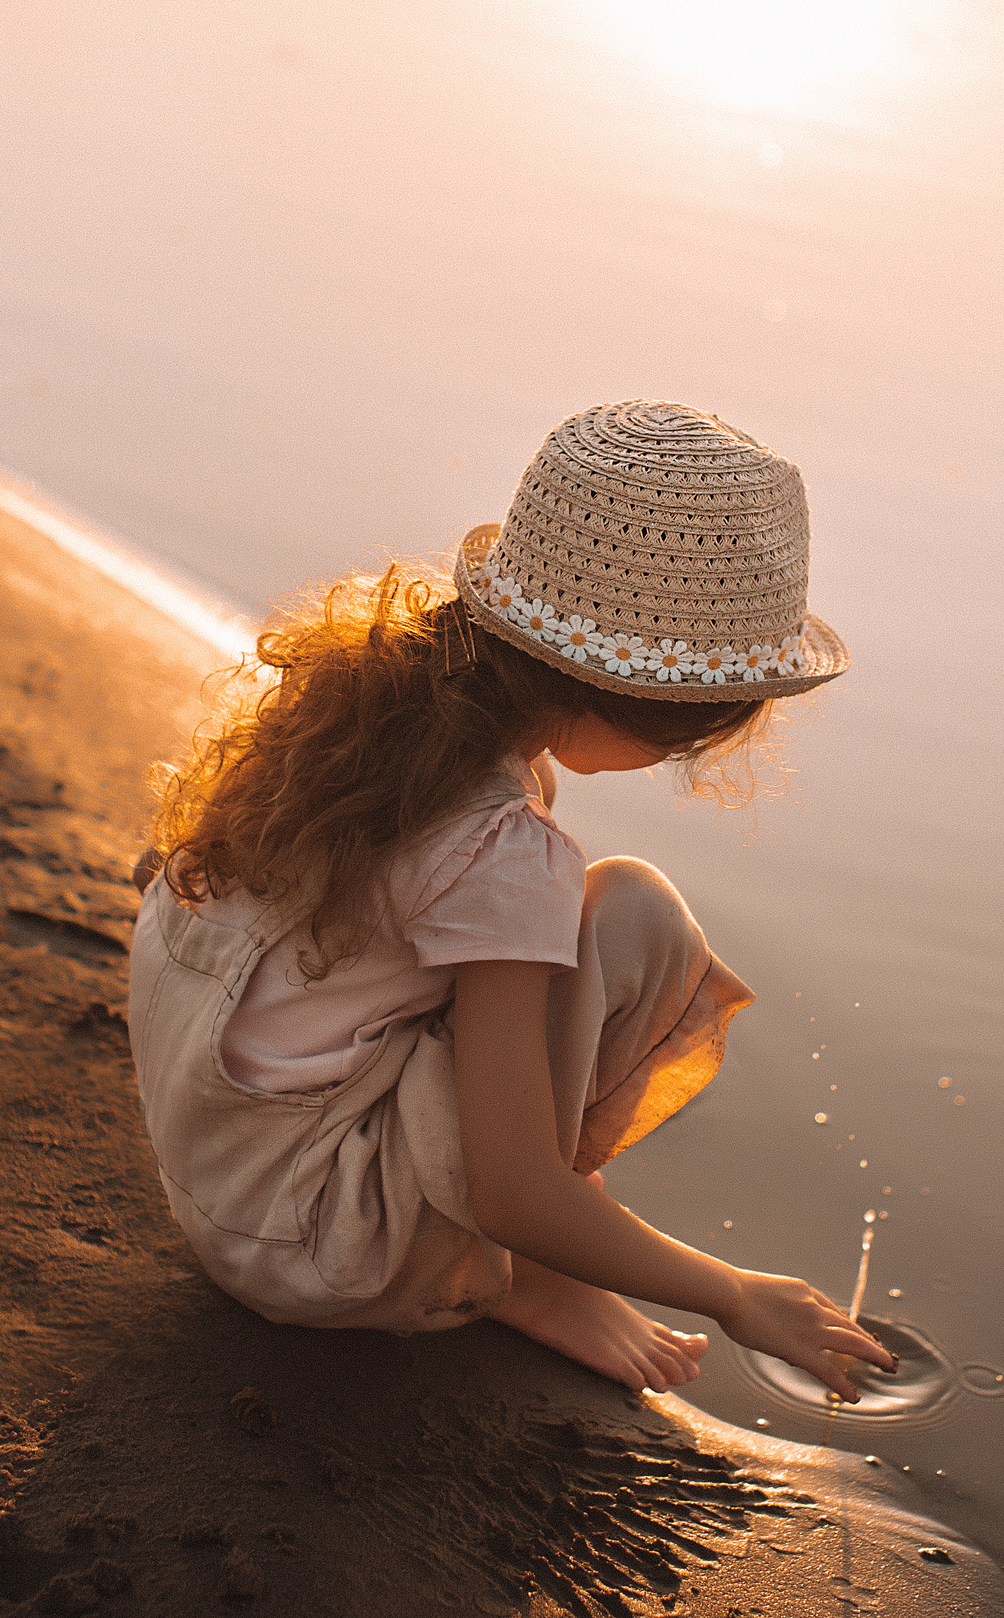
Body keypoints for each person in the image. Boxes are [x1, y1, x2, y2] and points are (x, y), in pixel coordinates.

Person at [128, 400, 893, 1400]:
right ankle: (521, 1277)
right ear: (654, 710)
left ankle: (536, 1259)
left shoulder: (373, 717)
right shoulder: (504, 851)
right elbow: (513, 1187)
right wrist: (735, 1294)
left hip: (223, 1176)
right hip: (321, 1258)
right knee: (635, 920)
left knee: (559, 927)